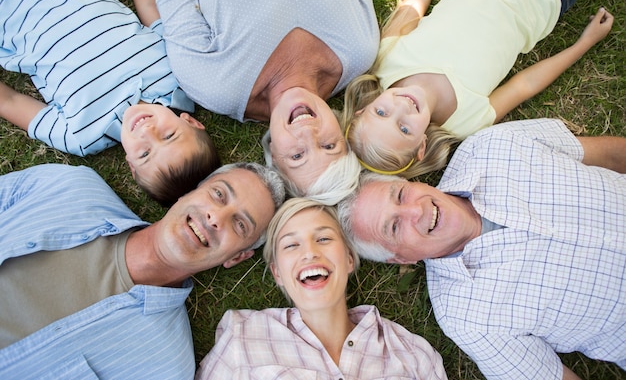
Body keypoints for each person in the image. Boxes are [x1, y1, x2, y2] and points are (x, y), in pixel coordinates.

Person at [337, 119, 626, 380]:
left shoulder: (488, 147)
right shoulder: (467, 318)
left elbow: (607, 155)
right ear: (402, 258)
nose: (416, 210)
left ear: (415, 181)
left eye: (401, 195)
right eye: (394, 227)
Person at [0, 161, 285, 380]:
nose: (215, 217)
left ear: (236, 258)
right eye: (219, 194)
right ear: (188, 193)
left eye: (240, 225)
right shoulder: (72, 186)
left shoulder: (165, 365)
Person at [341, 0, 614, 178]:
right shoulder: (466, 121)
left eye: (381, 112)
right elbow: (524, 85)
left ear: (364, 107)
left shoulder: (387, 60)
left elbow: (414, 3)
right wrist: (584, 43)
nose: (401, 108)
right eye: (403, 129)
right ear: (421, 146)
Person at [148, 0, 379, 199]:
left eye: (297, 156)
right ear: (343, 132)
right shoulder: (359, 50)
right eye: (329, 146)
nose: (308, 132)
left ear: (274, 154)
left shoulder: (217, 85)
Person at [0, 0, 220, 206]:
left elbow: (11, 101)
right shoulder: (178, 75)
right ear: (190, 122)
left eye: (145, 154)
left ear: (131, 165)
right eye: (169, 136)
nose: (148, 133)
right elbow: (148, 6)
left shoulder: (82, 136)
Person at [196, 197, 448, 379]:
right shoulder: (243, 338)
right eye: (291, 245)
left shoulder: (413, 355)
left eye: (324, 239)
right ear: (278, 274)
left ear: (349, 258)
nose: (310, 252)